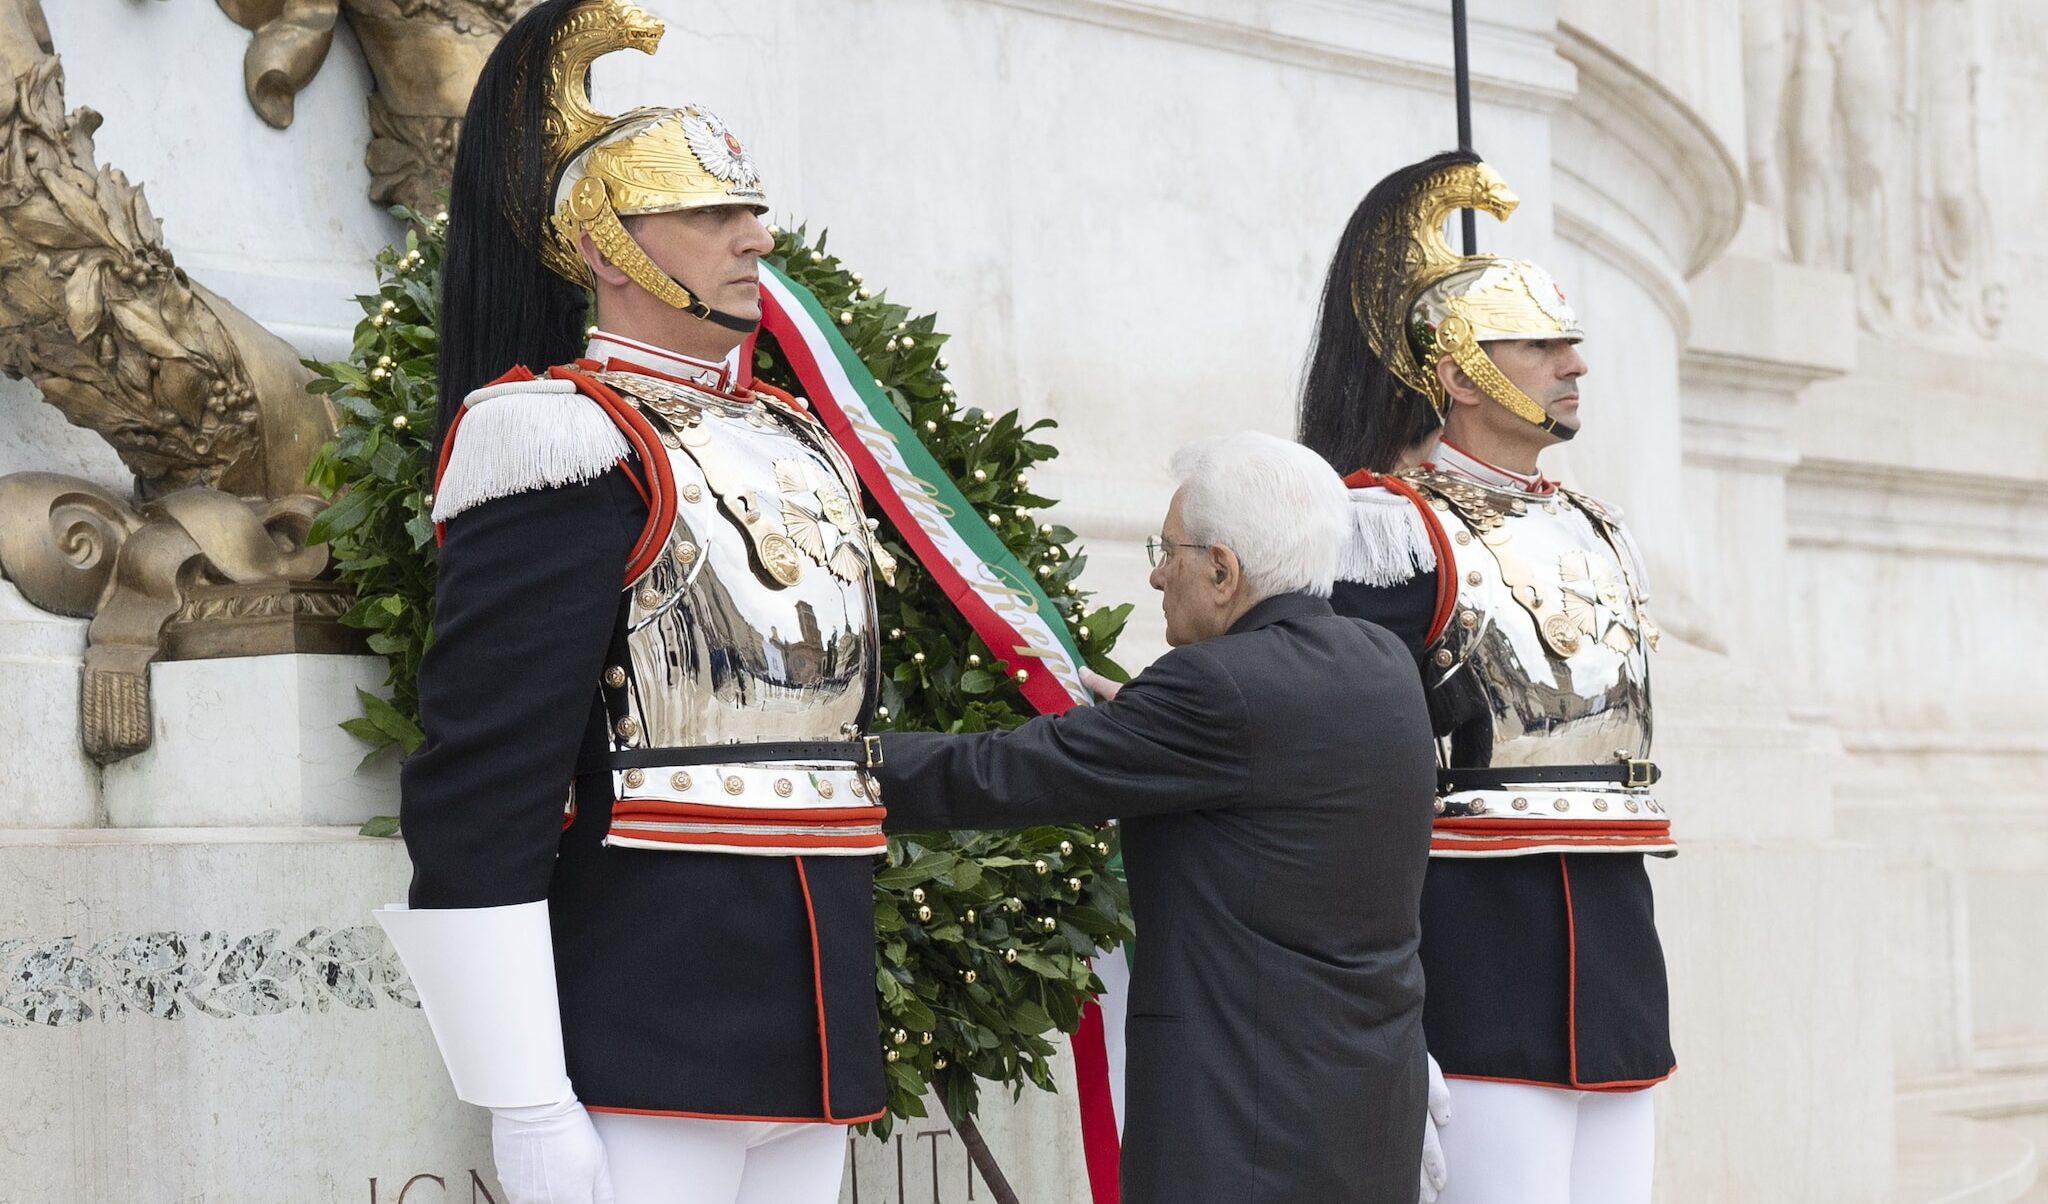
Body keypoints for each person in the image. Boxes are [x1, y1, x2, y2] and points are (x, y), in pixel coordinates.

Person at [372, 3, 894, 1202]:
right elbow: (483, 779)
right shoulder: (555, 437)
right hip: (649, 1023)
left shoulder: (792, 435)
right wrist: (525, 1094)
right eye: (712, 211)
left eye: (750, 206)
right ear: (607, 245)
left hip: (812, 1027)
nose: (754, 234)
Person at [874, 432, 1437, 1204]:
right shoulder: (1382, 663)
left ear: (1223, 569)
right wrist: (1148, 726)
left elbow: (1004, 772)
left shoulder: (1215, 691)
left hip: (1241, 1130)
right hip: (1369, 1114)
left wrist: (840, 763)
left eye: (1169, 549)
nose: (1155, 572)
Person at [1298, 150, 1677, 1204]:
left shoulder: (1598, 527)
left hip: (1613, 952)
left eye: (1571, 342)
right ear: (1458, 373)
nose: (1573, 364)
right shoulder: (1388, 529)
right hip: (1477, 957)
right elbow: (1333, 752)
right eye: (1540, 343)